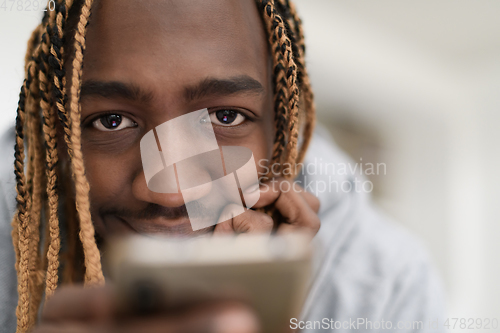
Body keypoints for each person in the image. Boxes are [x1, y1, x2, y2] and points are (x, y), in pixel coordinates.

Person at [0, 0, 446, 332]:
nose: (171, 192)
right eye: (111, 121)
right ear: (59, 134)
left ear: (282, 134)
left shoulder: (389, 285)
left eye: (224, 118)